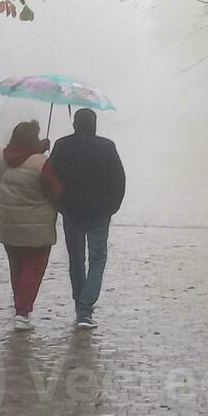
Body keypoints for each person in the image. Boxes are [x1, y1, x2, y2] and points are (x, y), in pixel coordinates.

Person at [49, 107, 125, 330]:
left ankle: (80, 306)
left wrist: (60, 204)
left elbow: (50, 176)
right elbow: (118, 179)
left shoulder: (62, 145)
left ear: (74, 124)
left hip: (71, 212)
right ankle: (86, 307)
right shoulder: (106, 146)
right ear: (94, 124)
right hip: (100, 212)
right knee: (98, 257)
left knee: (76, 259)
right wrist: (112, 206)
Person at [0, 121, 62, 331]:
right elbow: (54, 192)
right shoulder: (42, 163)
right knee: (33, 268)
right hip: (36, 227)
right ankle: (22, 312)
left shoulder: (1, 157)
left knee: (17, 267)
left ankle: (19, 307)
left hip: (9, 222)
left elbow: (1, 180)